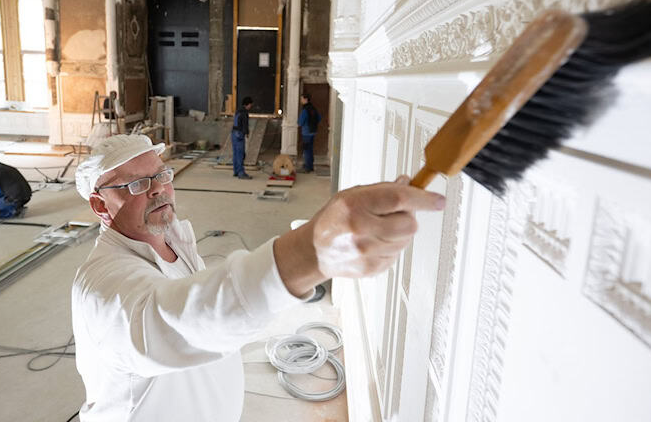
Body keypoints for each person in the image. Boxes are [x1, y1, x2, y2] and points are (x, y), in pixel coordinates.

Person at [71, 134, 445, 422]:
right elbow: (179, 321)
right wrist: (310, 251)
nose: (158, 188)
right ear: (100, 205)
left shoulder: (170, 239)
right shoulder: (102, 286)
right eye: (136, 184)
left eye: (161, 175)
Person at [231, 96, 253, 179]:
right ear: (248, 104)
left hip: (233, 133)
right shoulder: (244, 112)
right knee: (240, 154)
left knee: (236, 153)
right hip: (239, 134)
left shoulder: (238, 111)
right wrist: (247, 133)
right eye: (250, 105)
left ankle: (236, 171)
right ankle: (241, 173)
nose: (251, 106)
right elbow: (245, 124)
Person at [297, 92, 319, 173]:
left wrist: (301, 124)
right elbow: (319, 118)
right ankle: (310, 166)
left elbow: (300, 122)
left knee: (306, 150)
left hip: (306, 133)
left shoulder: (305, 110)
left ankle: (307, 167)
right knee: (310, 149)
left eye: (302, 99)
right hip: (313, 131)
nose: (301, 100)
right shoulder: (313, 108)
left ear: (306, 99)